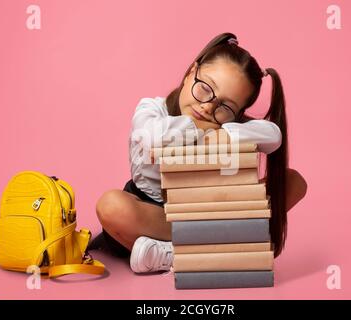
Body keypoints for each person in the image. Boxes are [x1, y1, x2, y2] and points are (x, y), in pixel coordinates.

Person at [88, 32, 307, 273]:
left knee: (293, 182)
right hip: (154, 216)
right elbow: (150, 137)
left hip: (210, 211)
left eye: (225, 106)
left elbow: (273, 135)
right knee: (111, 205)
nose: (207, 106)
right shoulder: (153, 108)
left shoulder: (227, 124)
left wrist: (225, 133)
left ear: (238, 111)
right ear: (192, 71)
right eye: (205, 88)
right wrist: (203, 130)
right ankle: (205, 250)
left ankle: (176, 254)